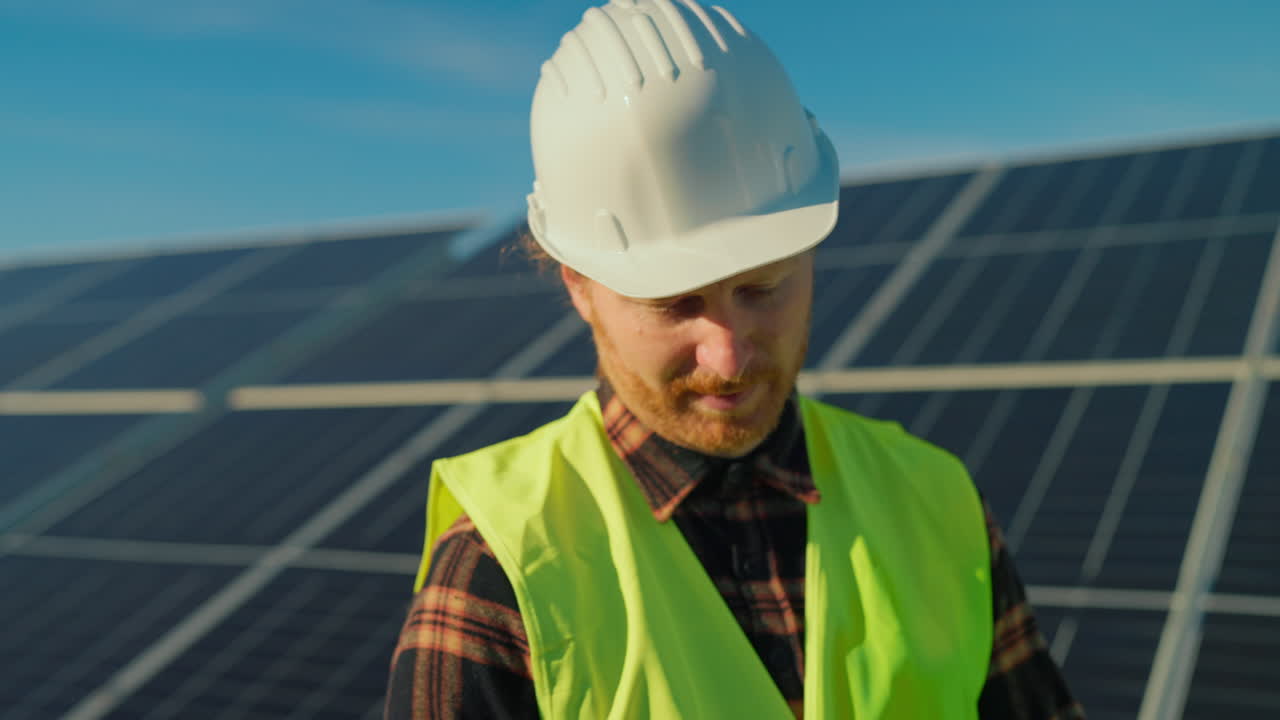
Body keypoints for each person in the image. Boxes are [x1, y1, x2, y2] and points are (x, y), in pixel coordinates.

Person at [386, 0, 1083, 717]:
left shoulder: (939, 505)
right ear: (580, 287)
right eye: (673, 305)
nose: (728, 355)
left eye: (764, 288)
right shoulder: (498, 572)